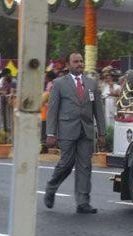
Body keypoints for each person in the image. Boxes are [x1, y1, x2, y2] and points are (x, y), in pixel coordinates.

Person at [44, 52, 106, 214]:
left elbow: (98, 110)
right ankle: (51, 188)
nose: (79, 64)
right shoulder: (59, 83)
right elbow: (52, 110)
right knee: (66, 163)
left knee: (85, 166)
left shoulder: (92, 84)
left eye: (81, 61)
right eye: (75, 61)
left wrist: (102, 133)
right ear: (68, 64)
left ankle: (83, 202)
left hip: (86, 131)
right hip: (67, 130)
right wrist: (51, 133)